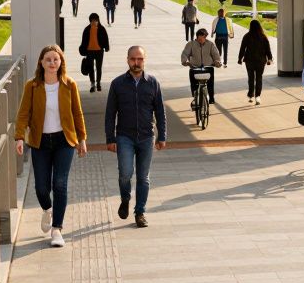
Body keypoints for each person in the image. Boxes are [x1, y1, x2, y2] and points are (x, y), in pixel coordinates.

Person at [14, 45, 88, 248]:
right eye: (48, 59)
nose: (52, 63)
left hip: (64, 141)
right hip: (40, 142)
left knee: (60, 184)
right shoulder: (32, 86)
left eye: (56, 59)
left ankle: (57, 229)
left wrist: (82, 138)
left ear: (61, 62)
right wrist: (19, 137)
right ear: (41, 62)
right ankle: (47, 209)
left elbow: (77, 113)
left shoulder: (69, 84)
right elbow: (23, 113)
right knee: (41, 187)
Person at [104, 45, 166, 228]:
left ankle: (140, 212)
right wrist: (110, 138)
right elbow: (110, 113)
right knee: (125, 174)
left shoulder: (153, 83)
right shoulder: (117, 84)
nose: (136, 63)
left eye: (140, 59)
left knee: (143, 177)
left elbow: (160, 112)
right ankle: (125, 198)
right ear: (127, 60)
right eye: (133, 59)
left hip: (147, 136)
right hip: (124, 136)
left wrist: (162, 136)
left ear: (144, 61)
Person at [180, 28, 222, 105]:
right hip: (195, 67)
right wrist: (185, 61)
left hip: (207, 67)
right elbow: (185, 53)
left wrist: (217, 62)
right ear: (197, 37)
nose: (201, 40)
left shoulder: (210, 44)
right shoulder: (190, 44)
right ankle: (195, 97)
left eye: (203, 38)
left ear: (205, 37)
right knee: (193, 82)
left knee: (210, 82)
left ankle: (211, 97)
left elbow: (216, 55)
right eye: (199, 39)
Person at [237, 19, 272, 105]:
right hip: (260, 61)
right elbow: (268, 49)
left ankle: (250, 94)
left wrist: (240, 59)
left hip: (249, 61)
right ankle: (258, 96)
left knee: (251, 78)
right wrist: (270, 59)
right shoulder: (263, 37)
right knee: (259, 78)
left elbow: (242, 48)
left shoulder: (247, 36)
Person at [76, 13, 110, 92]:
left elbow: (106, 39)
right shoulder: (87, 29)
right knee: (91, 68)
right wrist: (82, 50)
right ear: (90, 21)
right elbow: (84, 41)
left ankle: (98, 84)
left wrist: (106, 47)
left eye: (95, 20)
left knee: (98, 68)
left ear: (98, 20)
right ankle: (92, 84)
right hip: (89, 51)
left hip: (99, 51)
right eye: (92, 20)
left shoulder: (102, 29)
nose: (94, 22)